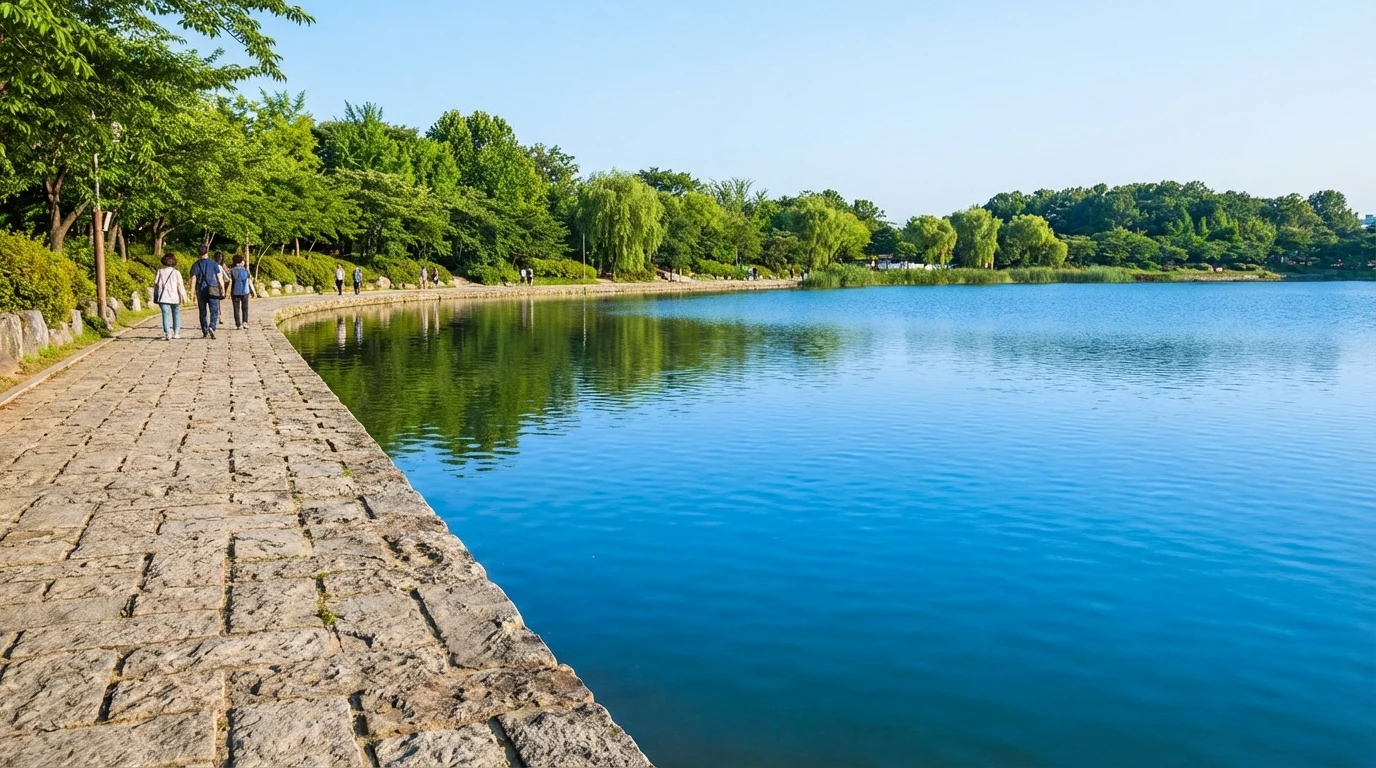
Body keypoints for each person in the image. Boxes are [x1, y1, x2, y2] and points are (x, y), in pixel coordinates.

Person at [189, 247, 223, 339]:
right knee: (214, 310)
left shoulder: (196, 265)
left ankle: (204, 331)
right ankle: (212, 326)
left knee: (202, 311)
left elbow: (193, 280)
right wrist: (222, 288)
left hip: (201, 290)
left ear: (198, 253)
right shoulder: (214, 263)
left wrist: (192, 293)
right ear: (207, 252)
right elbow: (219, 277)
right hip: (213, 289)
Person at [153, 254, 188, 340]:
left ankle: (168, 333)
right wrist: (184, 297)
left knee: (165, 315)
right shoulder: (176, 272)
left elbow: (156, 284)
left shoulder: (160, 271)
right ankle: (176, 333)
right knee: (176, 314)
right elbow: (180, 285)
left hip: (163, 297)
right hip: (174, 297)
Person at [229, 255, 255, 329]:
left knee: (236, 308)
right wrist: (252, 291)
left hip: (235, 291)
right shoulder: (245, 270)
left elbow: (229, 280)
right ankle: (245, 322)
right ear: (241, 261)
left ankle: (238, 324)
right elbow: (249, 280)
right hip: (245, 291)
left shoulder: (232, 271)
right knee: (245, 308)